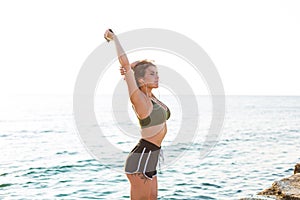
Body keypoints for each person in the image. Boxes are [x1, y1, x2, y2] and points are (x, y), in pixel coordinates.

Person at [104, 29, 171, 200]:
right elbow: (126, 65)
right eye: (152, 74)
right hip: (141, 158)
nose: (157, 77)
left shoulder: (152, 97)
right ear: (140, 80)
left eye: (157, 73)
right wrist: (115, 39)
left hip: (152, 156)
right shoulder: (139, 99)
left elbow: (131, 68)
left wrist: (136, 67)